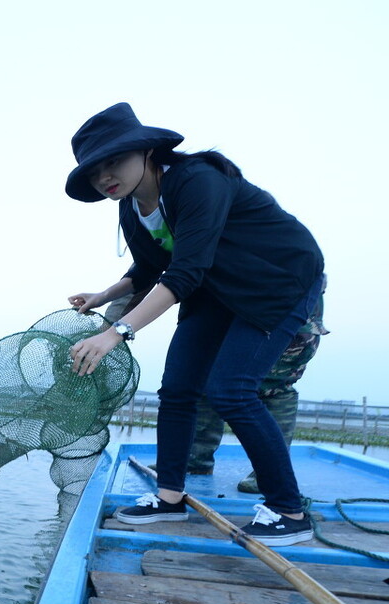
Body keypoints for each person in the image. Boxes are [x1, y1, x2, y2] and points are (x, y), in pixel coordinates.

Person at [63, 102, 326, 546]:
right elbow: (149, 269)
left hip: (277, 279)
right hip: (215, 288)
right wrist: (103, 297)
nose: (105, 175)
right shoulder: (131, 208)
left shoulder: (197, 180)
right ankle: (169, 498)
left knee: (231, 390)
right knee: (178, 389)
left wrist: (117, 331)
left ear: (146, 151)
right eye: (94, 171)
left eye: (114, 161)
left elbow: (182, 273)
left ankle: (287, 509)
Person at [104, 283, 327, 493]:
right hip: (228, 305)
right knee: (202, 376)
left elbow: (176, 279)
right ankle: (195, 459)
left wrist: (113, 330)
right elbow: (146, 273)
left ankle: (269, 475)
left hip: (285, 302)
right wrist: (108, 326)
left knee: (273, 385)